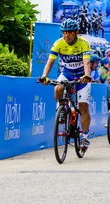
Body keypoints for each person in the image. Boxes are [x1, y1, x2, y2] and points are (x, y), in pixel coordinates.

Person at [38, 19, 93, 149]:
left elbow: (86, 62)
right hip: (67, 73)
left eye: (69, 32)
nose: (66, 35)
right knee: (57, 88)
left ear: (76, 32)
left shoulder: (84, 43)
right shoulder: (58, 43)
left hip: (81, 76)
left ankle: (85, 137)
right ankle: (62, 109)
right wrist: (44, 76)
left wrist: (87, 75)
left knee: (83, 107)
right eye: (64, 32)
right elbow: (50, 62)